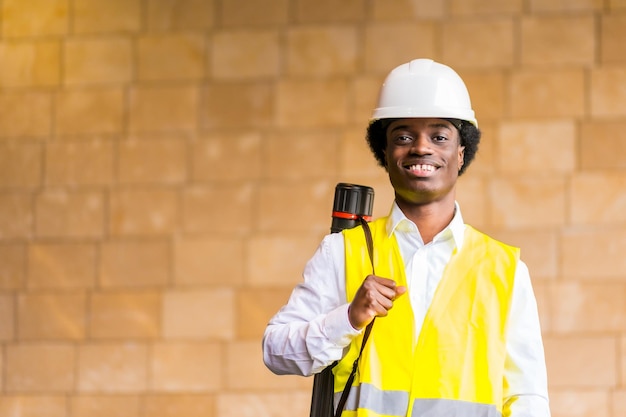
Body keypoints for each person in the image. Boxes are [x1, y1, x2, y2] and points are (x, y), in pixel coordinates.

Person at [262, 58, 550, 417]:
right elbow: (274, 351)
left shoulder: (505, 270)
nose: (421, 148)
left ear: (461, 154)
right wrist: (348, 318)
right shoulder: (343, 251)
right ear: (385, 153)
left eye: (439, 136)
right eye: (403, 136)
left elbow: (526, 398)